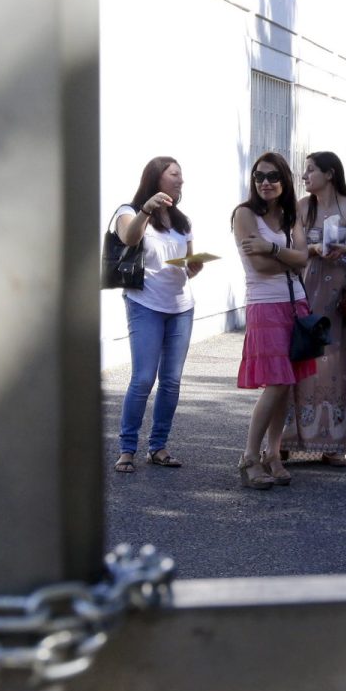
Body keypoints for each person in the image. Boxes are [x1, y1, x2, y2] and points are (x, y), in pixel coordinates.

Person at [287, 150, 346, 465]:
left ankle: (335, 442)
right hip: (308, 293)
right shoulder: (302, 208)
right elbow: (296, 250)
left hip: (343, 299)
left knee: (341, 364)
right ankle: (286, 438)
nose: (304, 177)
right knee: (302, 360)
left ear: (330, 174)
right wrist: (315, 248)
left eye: (311, 170)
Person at [111, 157, 204, 473]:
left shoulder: (182, 221)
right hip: (145, 305)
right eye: (175, 174)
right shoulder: (130, 211)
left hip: (181, 307)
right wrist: (146, 211)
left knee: (171, 382)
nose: (180, 180)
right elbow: (129, 239)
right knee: (142, 379)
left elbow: (188, 263)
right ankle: (127, 449)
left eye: (181, 175)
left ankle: (158, 447)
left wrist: (194, 265)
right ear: (157, 177)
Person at [232, 152, 317, 489]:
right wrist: (289, 258)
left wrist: (272, 249)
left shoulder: (288, 214)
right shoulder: (244, 214)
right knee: (277, 382)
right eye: (258, 177)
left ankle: (274, 453)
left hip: (295, 304)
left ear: (284, 180)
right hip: (265, 305)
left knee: (288, 383)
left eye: (272, 177)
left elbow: (304, 258)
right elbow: (263, 268)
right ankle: (250, 456)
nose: (265, 183)